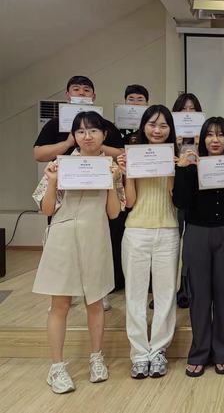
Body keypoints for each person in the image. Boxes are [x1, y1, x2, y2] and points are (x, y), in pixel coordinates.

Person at [32, 111, 124, 394]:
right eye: (81, 131)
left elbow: (113, 213)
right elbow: (47, 209)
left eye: (93, 130)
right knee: (59, 304)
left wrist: (113, 181)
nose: (87, 136)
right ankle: (57, 367)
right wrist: (52, 181)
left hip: (96, 237)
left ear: (104, 135)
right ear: (74, 136)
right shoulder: (60, 164)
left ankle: (96, 357)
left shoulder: (110, 167)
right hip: (63, 237)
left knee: (95, 302)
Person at [173, 117, 224, 377]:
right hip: (197, 235)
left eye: (220, 135)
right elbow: (180, 202)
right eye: (210, 134)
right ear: (202, 139)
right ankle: (199, 352)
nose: (215, 140)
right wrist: (182, 171)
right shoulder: (191, 167)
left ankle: (222, 351)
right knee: (199, 297)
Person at [33, 76, 125, 308]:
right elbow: (39, 154)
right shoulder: (55, 126)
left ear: (93, 96)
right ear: (67, 95)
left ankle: (98, 292)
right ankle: (68, 292)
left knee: (96, 293)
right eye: (76, 89)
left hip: (97, 221)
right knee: (61, 299)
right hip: (64, 219)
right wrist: (67, 145)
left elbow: (122, 153)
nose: (81, 94)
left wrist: (104, 162)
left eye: (86, 90)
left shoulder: (107, 127)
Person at [117, 105, 179, 379]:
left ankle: (159, 350)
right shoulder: (133, 156)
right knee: (135, 294)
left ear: (170, 130)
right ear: (143, 126)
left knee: (165, 294)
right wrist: (128, 173)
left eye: (163, 125)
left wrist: (175, 169)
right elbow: (130, 202)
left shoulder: (176, 157)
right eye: (152, 124)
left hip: (168, 230)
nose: (157, 130)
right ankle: (140, 353)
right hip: (136, 230)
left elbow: (177, 199)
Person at [171, 92, 203, 309]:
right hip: (173, 194)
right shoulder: (169, 138)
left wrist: (200, 145)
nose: (188, 113)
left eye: (193, 109)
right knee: (172, 243)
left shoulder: (205, 137)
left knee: (191, 245)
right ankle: (169, 289)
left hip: (197, 196)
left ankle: (188, 288)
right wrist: (175, 144)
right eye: (184, 109)